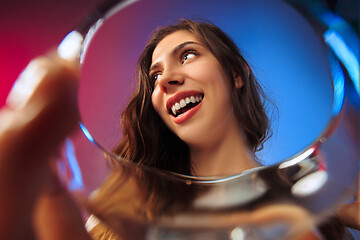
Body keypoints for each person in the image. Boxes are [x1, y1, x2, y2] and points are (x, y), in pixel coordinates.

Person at [0, 19, 358, 240]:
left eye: (188, 55)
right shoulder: (122, 212)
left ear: (236, 75)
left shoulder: (320, 206)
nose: (166, 80)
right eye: (154, 77)